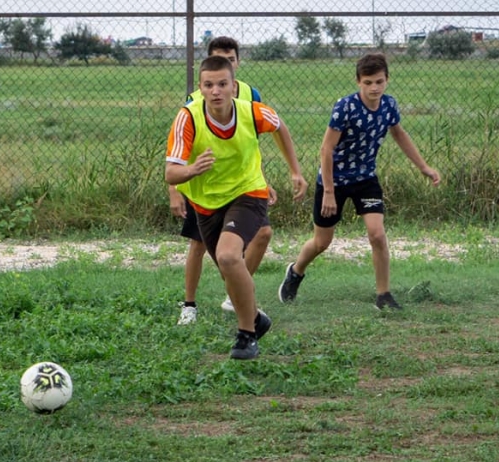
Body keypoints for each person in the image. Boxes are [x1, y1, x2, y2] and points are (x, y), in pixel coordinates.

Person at [165, 55, 308, 359]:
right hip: (206, 204)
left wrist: (295, 170)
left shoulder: (252, 112)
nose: (215, 90)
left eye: (222, 84)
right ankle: (257, 319)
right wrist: (192, 170)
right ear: (200, 89)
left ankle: (246, 335)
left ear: (234, 86)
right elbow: (171, 173)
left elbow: (280, 127)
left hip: (248, 192)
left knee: (229, 256)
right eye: (208, 85)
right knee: (229, 273)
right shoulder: (187, 118)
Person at [278, 52, 441, 310]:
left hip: (365, 178)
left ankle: (383, 295)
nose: (374, 88)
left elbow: (399, 134)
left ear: (387, 79)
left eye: (379, 81)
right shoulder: (345, 107)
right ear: (358, 82)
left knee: (377, 234)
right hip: (334, 180)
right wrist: (329, 192)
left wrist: (424, 167)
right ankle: (296, 272)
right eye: (368, 82)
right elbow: (326, 150)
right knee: (322, 242)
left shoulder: (389, 106)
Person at [170, 36, 274, 325]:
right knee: (198, 243)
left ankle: (237, 295)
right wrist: (174, 189)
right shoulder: (195, 102)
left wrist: (262, 179)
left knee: (263, 235)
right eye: (219, 59)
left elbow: (249, 142)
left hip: (242, 184)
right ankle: (189, 304)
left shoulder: (251, 95)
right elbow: (178, 151)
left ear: (236, 64)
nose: (216, 87)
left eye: (229, 60)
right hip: (205, 186)